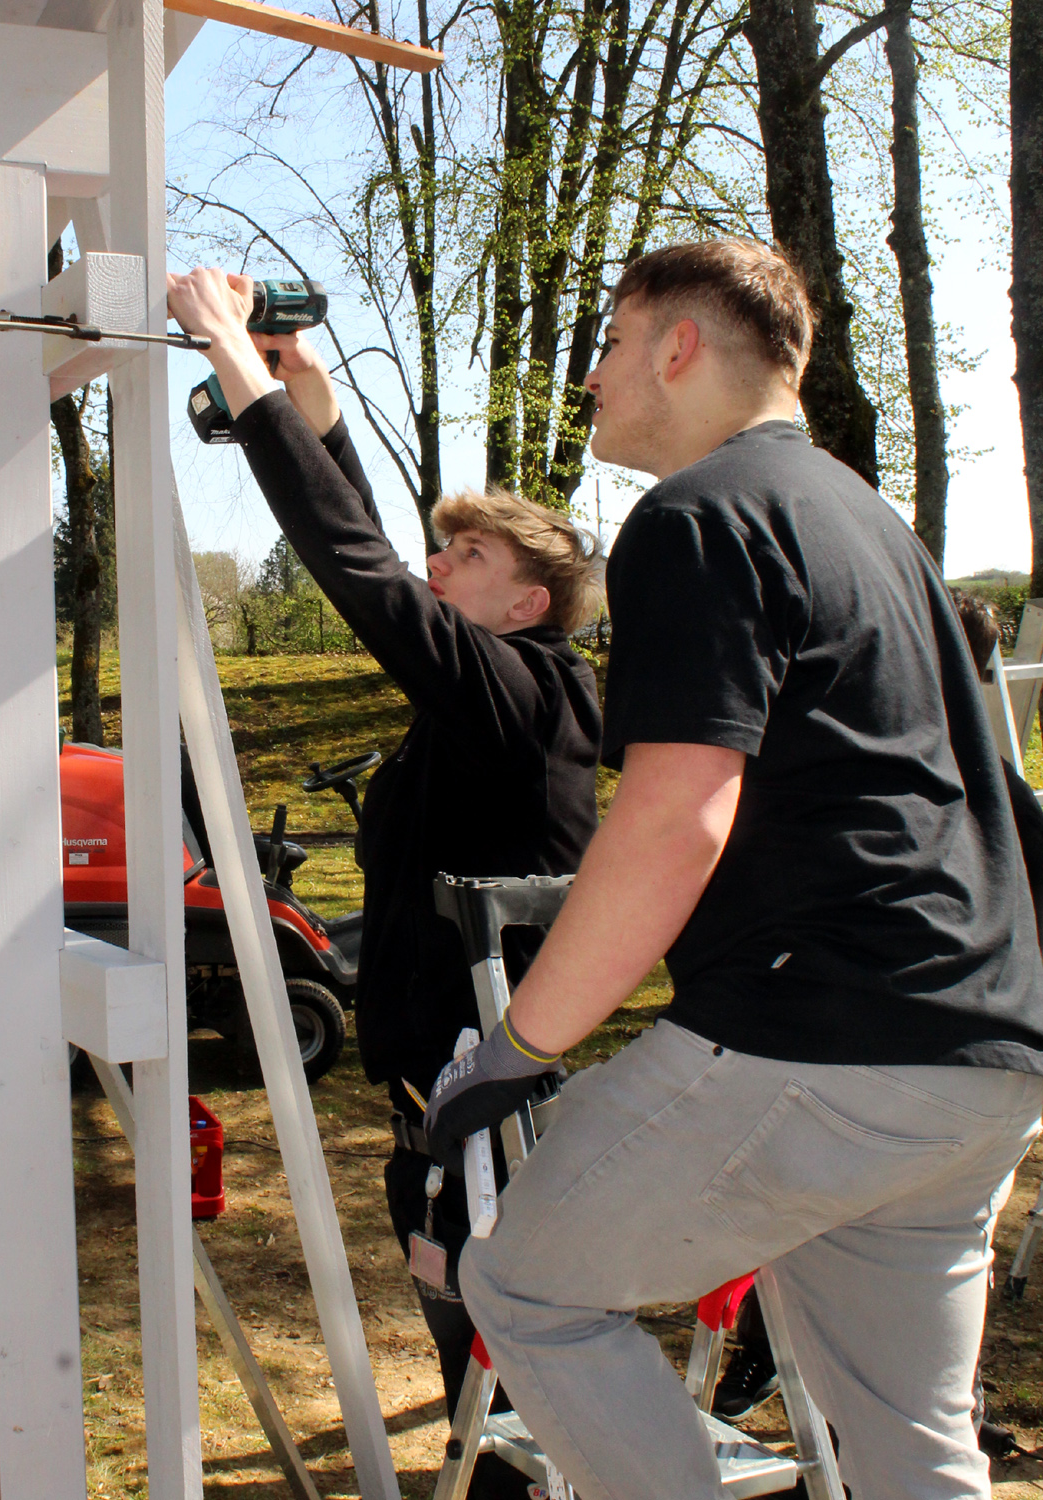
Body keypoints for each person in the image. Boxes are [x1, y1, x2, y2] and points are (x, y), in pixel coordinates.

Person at [421, 237, 1043, 1500]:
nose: (590, 378)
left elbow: (673, 818)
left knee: (524, 1283)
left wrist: (517, 1049)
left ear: (678, 346)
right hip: (982, 1056)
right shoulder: (873, 523)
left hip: (820, 1038)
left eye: (605, 345)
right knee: (907, 1439)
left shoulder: (699, 518)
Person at [166, 266, 604, 1499]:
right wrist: (314, 398)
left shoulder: (524, 696)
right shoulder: (486, 696)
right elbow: (391, 577)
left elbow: (361, 575)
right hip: (443, 1095)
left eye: (464, 555)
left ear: (526, 602)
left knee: (511, 1341)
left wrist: (235, 367)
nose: (435, 563)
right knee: (462, 1311)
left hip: (497, 1100)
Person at [711, 587, 1043, 1459]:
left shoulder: (981, 786)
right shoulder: (869, 769)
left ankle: (930, 1415)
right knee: (844, 1251)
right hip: (887, 1063)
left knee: (902, 1267)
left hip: (951, 1070)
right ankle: (784, 1376)